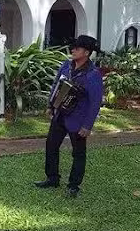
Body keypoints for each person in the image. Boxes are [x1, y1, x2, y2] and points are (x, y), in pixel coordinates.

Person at [35, 35, 104, 198]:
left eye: (77, 49)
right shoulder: (66, 65)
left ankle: (74, 185)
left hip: (78, 120)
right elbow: (56, 85)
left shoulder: (93, 74)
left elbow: (95, 103)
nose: (73, 50)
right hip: (60, 115)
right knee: (51, 145)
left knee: (78, 153)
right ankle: (52, 178)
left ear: (87, 52)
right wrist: (51, 105)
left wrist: (87, 126)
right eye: (73, 48)